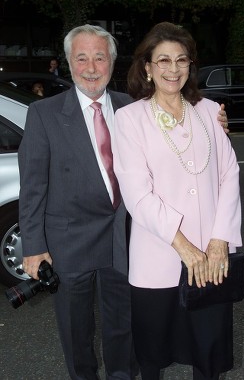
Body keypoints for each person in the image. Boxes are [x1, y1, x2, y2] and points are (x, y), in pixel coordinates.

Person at [18, 24, 228, 380]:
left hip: (123, 239)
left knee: (123, 329)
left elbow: (182, 144)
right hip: (69, 243)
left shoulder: (131, 106)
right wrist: (34, 247)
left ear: (112, 62)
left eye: (100, 57)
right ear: (68, 62)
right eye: (81, 58)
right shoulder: (44, 115)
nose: (91, 67)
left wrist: (217, 122)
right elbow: (33, 186)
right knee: (76, 331)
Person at [113, 22, 242, 380]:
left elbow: (229, 173)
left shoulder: (210, 111)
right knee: (154, 354)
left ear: (190, 66)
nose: (173, 69)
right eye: (163, 60)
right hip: (158, 257)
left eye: (181, 60)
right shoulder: (129, 119)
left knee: (209, 351)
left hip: (212, 257)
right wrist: (185, 248)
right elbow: (137, 194)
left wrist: (219, 241)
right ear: (147, 68)